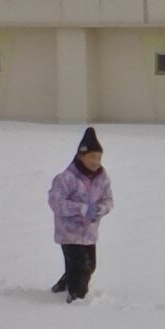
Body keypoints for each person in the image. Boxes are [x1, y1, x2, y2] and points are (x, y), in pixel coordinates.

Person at [47, 127, 113, 302]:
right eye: (92, 156)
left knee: (90, 266)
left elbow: (108, 199)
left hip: (89, 233)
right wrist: (82, 209)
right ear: (80, 156)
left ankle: (63, 285)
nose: (96, 161)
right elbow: (56, 202)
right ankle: (76, 298)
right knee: (80, 268)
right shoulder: (66, 178)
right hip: (69, 233)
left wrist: (101, 208)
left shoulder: (102, 177)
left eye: (99, 157)